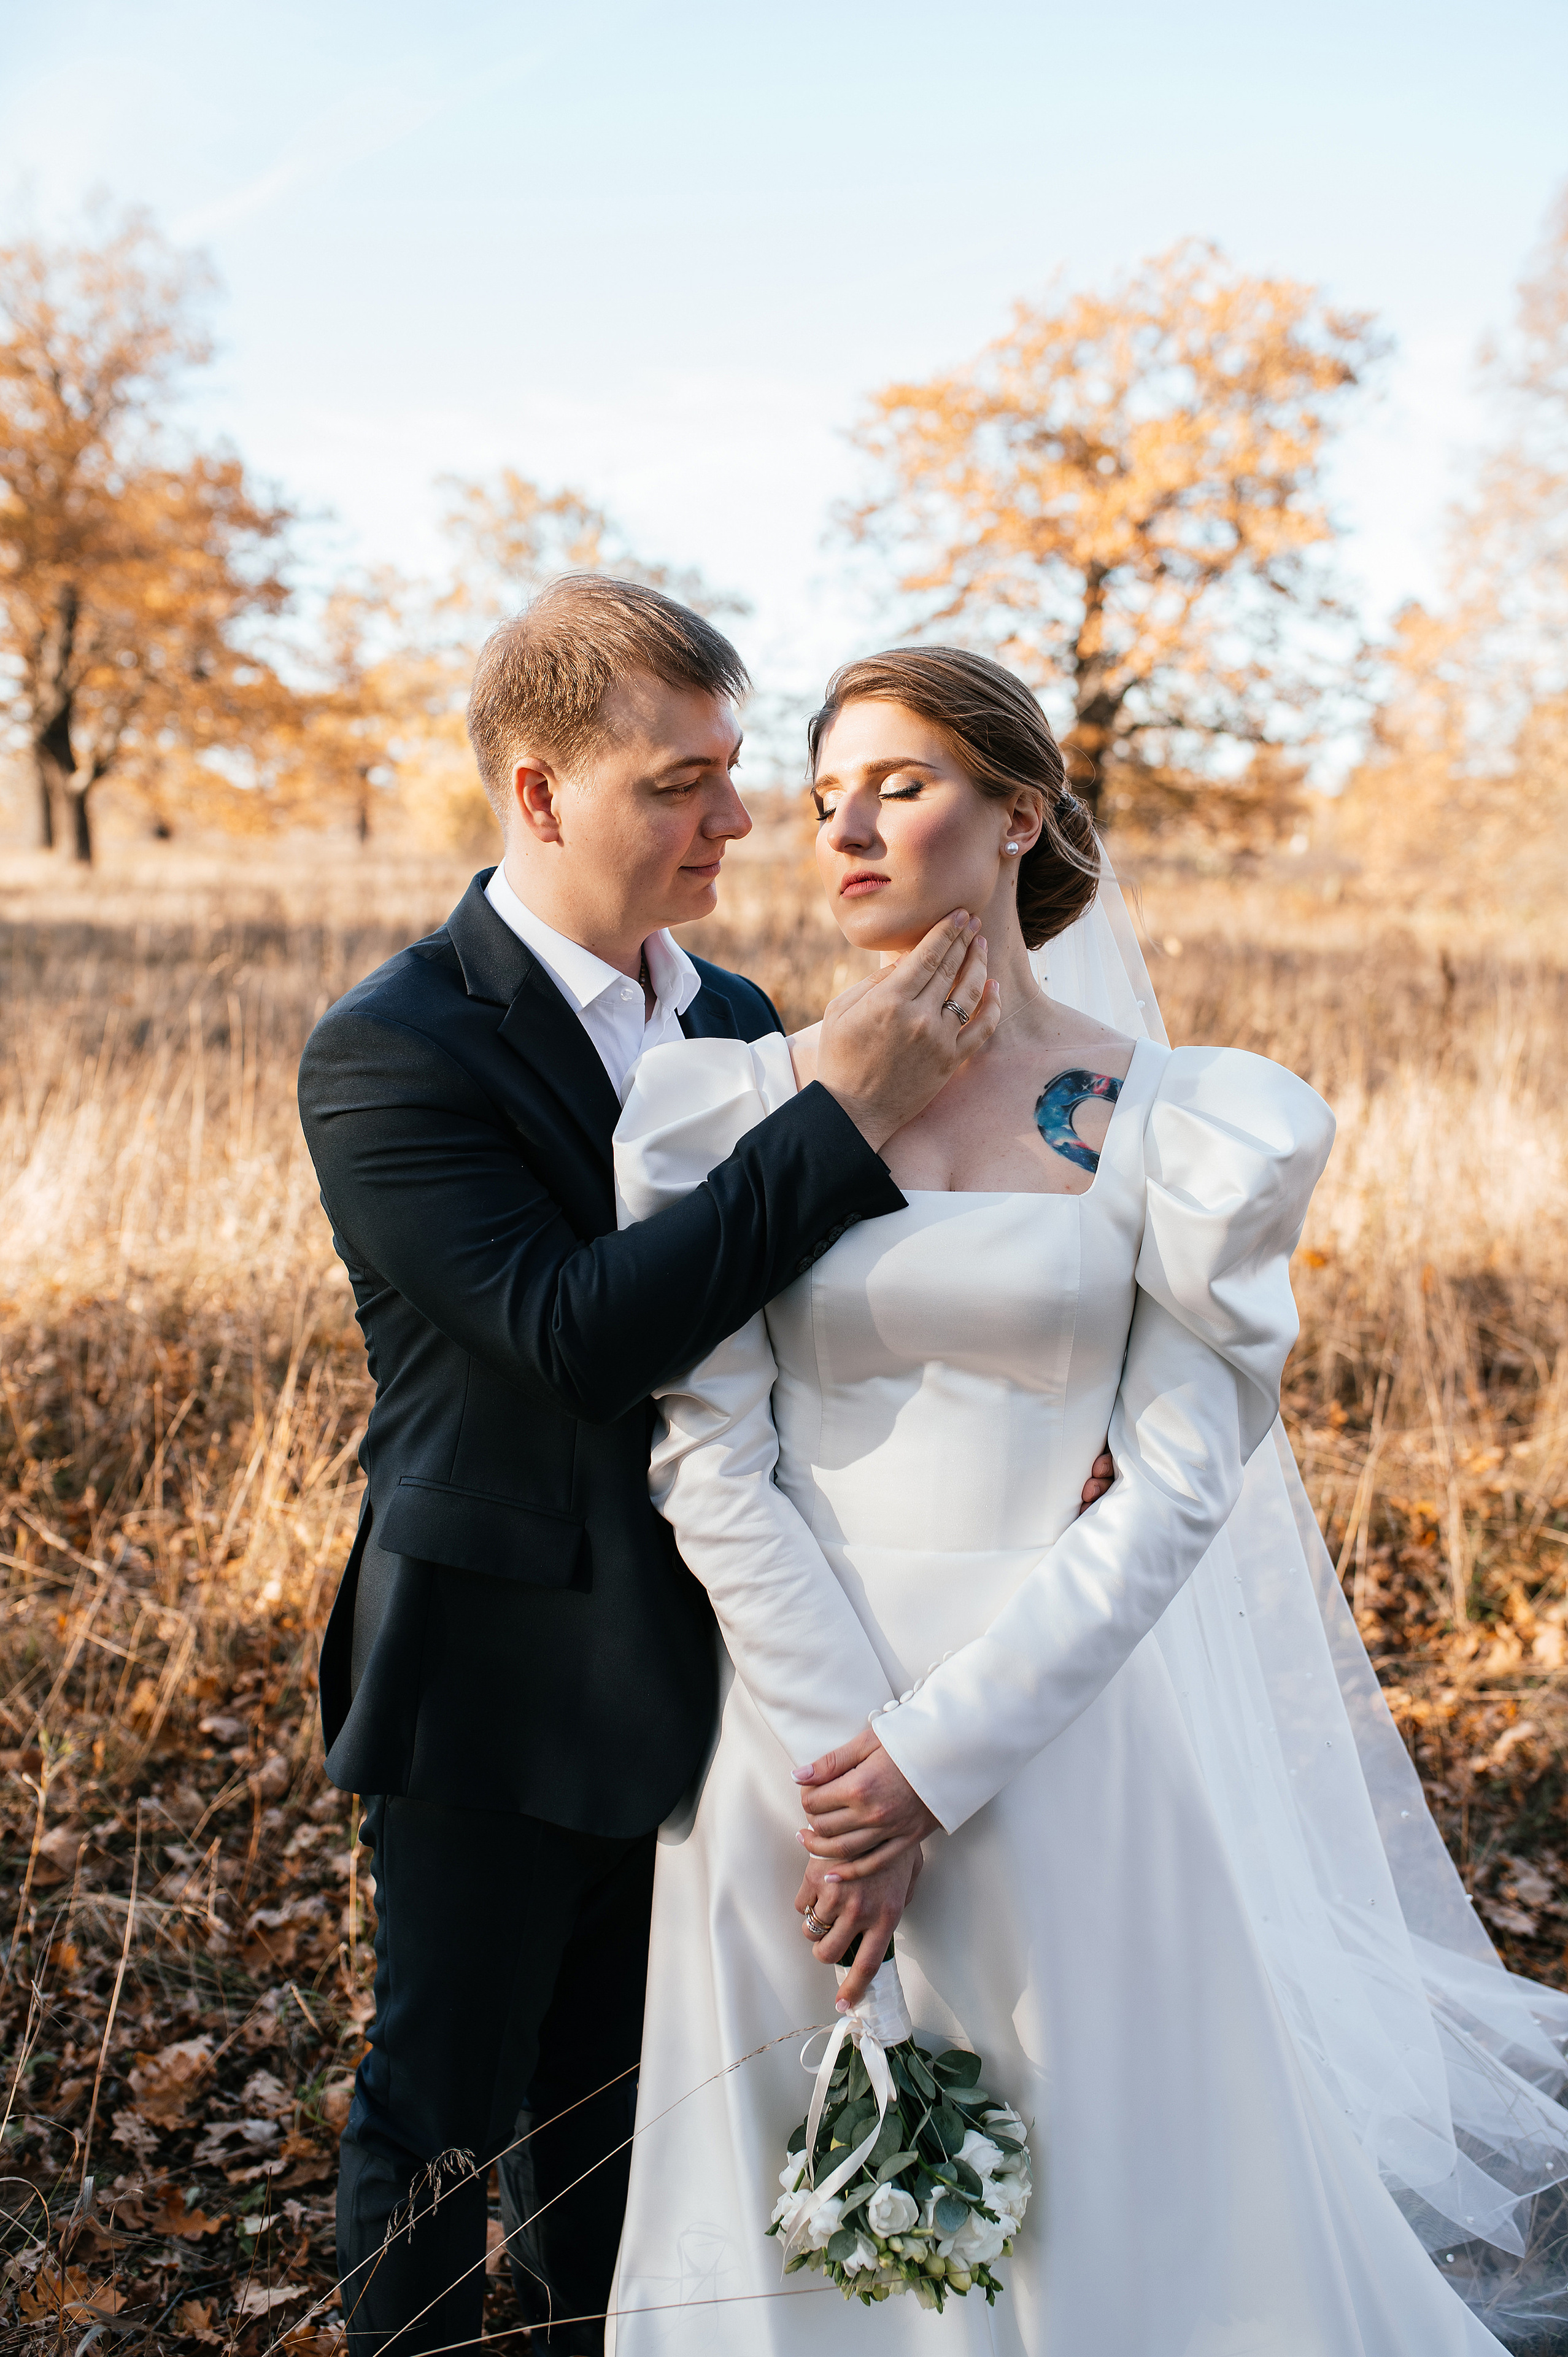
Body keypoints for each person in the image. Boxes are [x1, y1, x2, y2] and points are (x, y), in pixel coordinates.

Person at [607, 646, 1568, 2354]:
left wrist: (940, 1757)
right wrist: (854, 1771)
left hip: (1061, 1732)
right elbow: (708, 1450)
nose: (845, 826)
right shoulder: (727, 1105)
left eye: (901, 786)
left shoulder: (1184, 1126)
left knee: (1106, 2185)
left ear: (1019, 815)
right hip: (788, 1737)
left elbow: (1185, 1475)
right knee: (804, 2219)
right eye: (827, 795)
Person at [296, 579, 1116, 2357]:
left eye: (734, 773)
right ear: (539, 796)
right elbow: (579, 1332)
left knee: (623, 2121)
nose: (740, 821)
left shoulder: (740, 1009)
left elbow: (831, 1314)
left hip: (742, 1660)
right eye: (684, 783)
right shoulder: (394, 1047)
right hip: (500, 1671)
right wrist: (848, 1115)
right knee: (443, 2103)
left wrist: (1074, 1429)